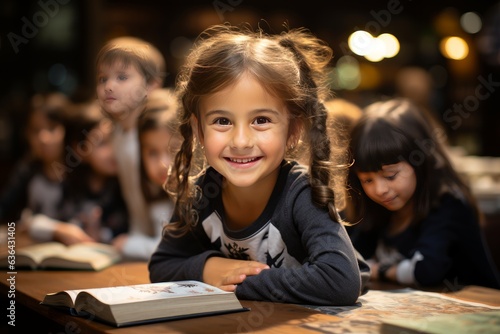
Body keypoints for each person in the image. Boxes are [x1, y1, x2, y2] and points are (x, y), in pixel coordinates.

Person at [149, 24, 369, 306]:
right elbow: (162, 265)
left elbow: (340, 282)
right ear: (199, 130)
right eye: (222, 121)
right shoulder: (203, 194)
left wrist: (241, 281)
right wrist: (208, 268)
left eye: (261, 120)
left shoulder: (300, 194)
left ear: (293, 130)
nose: (240, 141)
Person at [345, 98, 500, 290]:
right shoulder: (378, 207)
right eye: (367, 180)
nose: (379, 189)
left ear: (420, 162)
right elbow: (351, 260)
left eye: (390, 176)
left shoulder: (448, 202)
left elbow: (425, 271)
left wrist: (380, 269)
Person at [95, 36, 166, 255]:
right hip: (140, 243)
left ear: (152, 85)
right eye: (102, 79)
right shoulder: (117, 133)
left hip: (163, 245)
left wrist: (134, 245)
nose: (108, 86)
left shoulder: (156, 140)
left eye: (122, 77)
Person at [23, 101, 129, 245]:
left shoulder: (124, 185)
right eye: (102, 144)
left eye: (115, 140)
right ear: (80, 150)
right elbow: (32, 221)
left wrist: (102, 235)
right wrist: (61, 229)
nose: (112, 151)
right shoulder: (70, 186)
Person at [112, 88, 181, 259]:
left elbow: (173, 251)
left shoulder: (200, 195)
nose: (162, 164)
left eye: (172, 150)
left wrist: (127, 244)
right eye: (152, 153)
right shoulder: (159, 194)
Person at [0, 92, 70, 224]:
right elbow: (6, 208)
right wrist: (11, 242)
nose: (43, 138)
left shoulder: (80, 168)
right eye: (36, 130)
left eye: (52, 128)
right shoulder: (26, 169)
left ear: (67, 129)